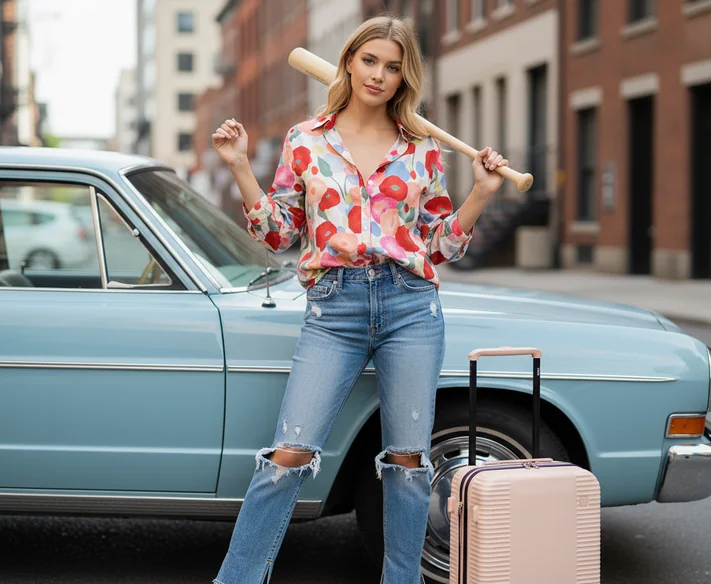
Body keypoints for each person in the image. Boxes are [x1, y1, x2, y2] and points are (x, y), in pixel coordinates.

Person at [210, 15, 508, 584]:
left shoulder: (421, 149)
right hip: (333, 309)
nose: (379, 74)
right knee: (288, 456)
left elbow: (441, 245)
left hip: (410, 307)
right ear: (349, 61)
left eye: (393, 67)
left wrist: (482, 192)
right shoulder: (307, 140)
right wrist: (240, 166)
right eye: (370, 60)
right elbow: (278, 234)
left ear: (404, 78)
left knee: (407, 464)